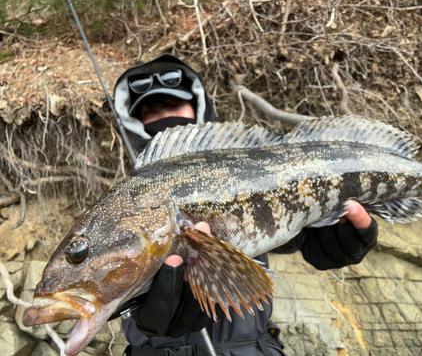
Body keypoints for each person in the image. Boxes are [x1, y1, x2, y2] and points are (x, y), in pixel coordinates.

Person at [113, 54, 378, 356]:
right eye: (150, 110)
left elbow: (281, 232)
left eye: (172, 105)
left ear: (198, 108)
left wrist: (317, 236)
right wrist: (134, 308)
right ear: (135, 123)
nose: (163, 117)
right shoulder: (121, 203)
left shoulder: (247, 169)